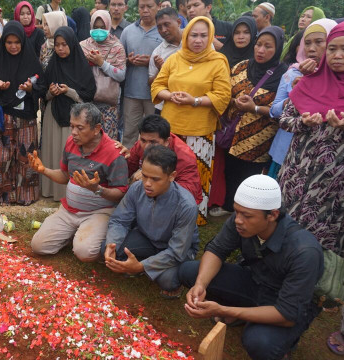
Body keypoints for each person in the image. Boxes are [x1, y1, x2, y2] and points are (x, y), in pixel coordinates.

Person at [179, 175, 324, 360]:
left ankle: (280, 342)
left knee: (260, 343)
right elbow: (217, 250)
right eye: (236, 212)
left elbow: (287, 314)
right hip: (255, 281)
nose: (237, 220)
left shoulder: (305, 252)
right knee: (189, 272)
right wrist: (200, 284)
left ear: (272, 215)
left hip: (284, 302)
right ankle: (245, 314)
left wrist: (222, 310)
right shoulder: (240, 221)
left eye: (246, 215)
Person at [277, 20, 344, 257]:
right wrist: (303, 122)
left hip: (337, 177)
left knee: (323, 227)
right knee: (287, 219)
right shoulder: (308, 83)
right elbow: (285, 120)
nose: (337, 55)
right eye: (332, 48)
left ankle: (313, 274)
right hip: (298, 170)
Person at [151, 16, 231, 225]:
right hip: (171, 128)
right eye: (194, 35)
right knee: (168, 171)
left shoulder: (218, 62)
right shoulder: (175, 59)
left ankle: (193, 218)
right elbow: (157, 85)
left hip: (200, 129)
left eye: (204, 35)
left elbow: (223, 95)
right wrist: (171, 96)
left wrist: (194, 100)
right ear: (186, 36)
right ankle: (165, 215)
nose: (198, 40)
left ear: (211, 37)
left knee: (196, 174)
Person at [29, 103, 128, 262]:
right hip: (69, 210)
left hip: (99, 212)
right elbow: (64, 175)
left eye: (80, 128)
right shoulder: (71, 142)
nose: (74, 133)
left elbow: (121, 194)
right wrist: (43, 170)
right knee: (38, 246)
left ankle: (89, 235)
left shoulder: (114, 153)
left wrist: (97, 189)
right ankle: (73, 234)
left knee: (85, 253)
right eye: (72, 126)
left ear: (96, 129)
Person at [210, 27, 287, 218]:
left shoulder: (283, 76)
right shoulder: (242, 66)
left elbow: (283, 111)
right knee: (230, 170)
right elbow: (224, 92)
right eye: (258, 44)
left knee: (249, 175)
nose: (261, 50)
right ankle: (229, 205)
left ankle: (247, 210)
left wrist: (253, 108)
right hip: (232, 133)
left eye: (268, 46)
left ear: (278, 49)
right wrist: (232, 102)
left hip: (258, 138)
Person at [104, 144, 198, 297]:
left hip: (177, 250)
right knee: (110, 250)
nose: (147, 183)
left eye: (155, 179)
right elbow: (120, 221)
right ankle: (146, 264)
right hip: (146, 238)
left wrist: (141, 266)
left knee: (168, 281)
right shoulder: (136, 188)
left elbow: (177, 251)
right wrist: (111, 244)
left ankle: (149, 269)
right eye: (145, 176)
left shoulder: (186, 205)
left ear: (172, 176)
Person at [0, 22, 46, 205]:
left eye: (17, 42)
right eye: (9, 42)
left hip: (26, 118)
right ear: (3, 42)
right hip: (3, 118)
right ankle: (3, 196)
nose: (13, 46)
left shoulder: (30, 60)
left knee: (26, 158)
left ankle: (27, 195)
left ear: (23, 42)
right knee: (1, 159)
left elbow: (42, 85)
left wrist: (32, 88)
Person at [267, 19, 337, 179]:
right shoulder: (293, 73)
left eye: (319, 42)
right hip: (285, 151)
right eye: (307, 43)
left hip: (318, 157)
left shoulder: (341, 78)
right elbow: (274, 110)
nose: (312, 48)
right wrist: (295, 94)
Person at [41, 26, 96, 201]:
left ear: (72, 44)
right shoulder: (52, 65)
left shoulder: (81, 66)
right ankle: (53, 192)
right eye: (57, 45)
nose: (60, 49)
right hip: (53, 115)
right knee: (53, 152)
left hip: (75, 118)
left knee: (70, 153)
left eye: (64, 44)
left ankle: (72, 193)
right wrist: (51, 92)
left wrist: (69, 91)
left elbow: (88, 96)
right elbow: (43, 93)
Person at [208, 15, 256, 211]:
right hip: (224, 117)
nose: (241, 36)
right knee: (222, 161)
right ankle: (220, 199)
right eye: (237, 32)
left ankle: (238, 203)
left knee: (240, 164)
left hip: (249, 121)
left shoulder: (258, 58)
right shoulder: (223, 56)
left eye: (246, 32)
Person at [118, 114, 202, 203]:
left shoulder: (184, 157)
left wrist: (151, 177)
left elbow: (188, 193)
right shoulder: (140, 145)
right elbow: (126, 171)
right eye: (143, 140)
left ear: (167, 142)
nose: (146, 147)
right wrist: (119, 157)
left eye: (153, 142)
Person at [119, 0, 162, 149]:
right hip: (131, 92)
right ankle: (127, 166)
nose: (145, 10)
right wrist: (128, 60)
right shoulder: (128, 31)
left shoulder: (163, 31)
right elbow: (118, 60)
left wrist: (151, 62)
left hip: (155, 94)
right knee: (129, 133)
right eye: (141, 7)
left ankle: (152, 167)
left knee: (154, 135)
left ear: (158, 6)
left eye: (149, 7)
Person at [80, 10, 126, 141]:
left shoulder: (116, 47)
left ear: (108, 26)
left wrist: (101, 63)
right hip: (86, 102)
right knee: (88, 140)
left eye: (102, 27)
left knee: (107, 142)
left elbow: (121, 75)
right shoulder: (83, 46)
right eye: (95, 27)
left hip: (108, 104)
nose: (98, 30)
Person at [148, 7, 183, 112]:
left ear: (178, 22)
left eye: (167, 24)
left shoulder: (195, 43)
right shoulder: (158, 53)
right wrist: (160, 70)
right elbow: (151, 84)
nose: (163, 30)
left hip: (193, 104)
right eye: (159, 27)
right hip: (165, 107)